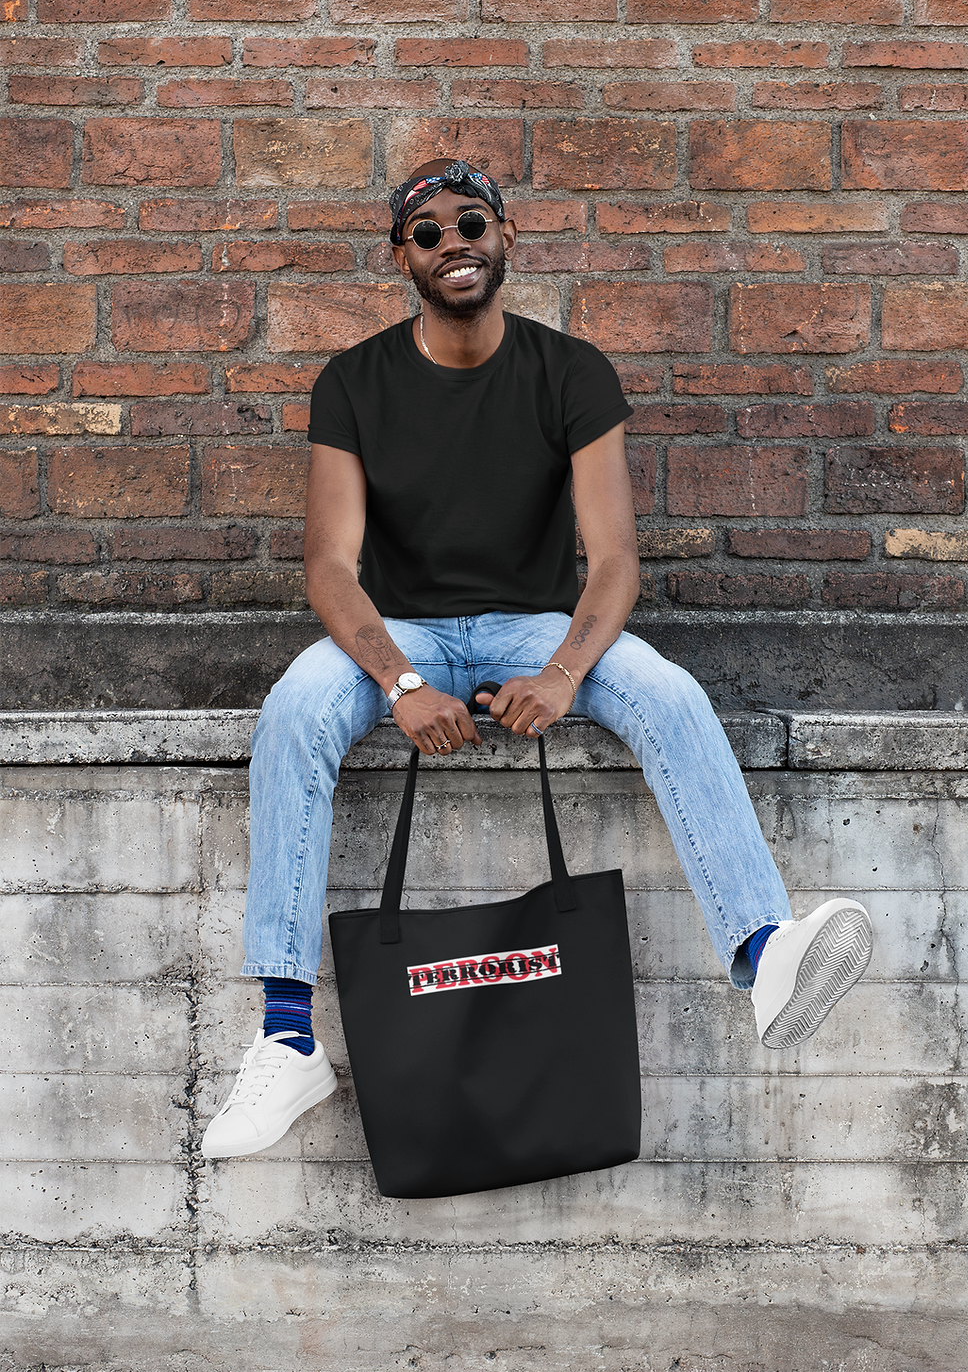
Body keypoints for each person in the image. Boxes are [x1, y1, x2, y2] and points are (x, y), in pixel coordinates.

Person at [201, 158, 873, 1159]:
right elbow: (331, 568)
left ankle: (763, 949)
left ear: (506, 237)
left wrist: (561, 673)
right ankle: (287, 1036)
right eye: (428, 233)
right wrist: (401, 682)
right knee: (296, 709)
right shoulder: (354, 382)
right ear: (401, 258)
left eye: (471, 223)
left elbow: (615, 561)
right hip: (406, 629)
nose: (453, 244)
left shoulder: (569, 372)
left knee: (666, 693)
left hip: (532, 627)